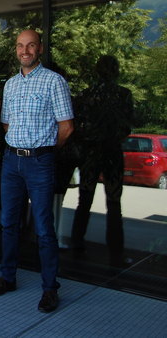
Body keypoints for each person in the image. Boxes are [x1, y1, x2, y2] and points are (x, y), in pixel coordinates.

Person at [0, 30, 74, 313]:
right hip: (12, 161)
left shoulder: (54, 81)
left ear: (40, 49)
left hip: (40, 162)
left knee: (44, 228)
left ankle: (50, 288)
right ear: (16, 50)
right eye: (21, 46)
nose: (25, 50)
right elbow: (7, 125)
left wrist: (44, 149)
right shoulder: (10, 84)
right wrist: (22, 146)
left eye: (31, 45)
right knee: (9, 223)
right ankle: (7, 277)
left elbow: (66, 126)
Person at [70, 55, 133, 266]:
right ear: (116, 71)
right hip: (112, 151)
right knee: (114, 203)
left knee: (84, 200)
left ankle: (77, 244)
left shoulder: (86, 95)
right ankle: (116, 252)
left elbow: (77, 126)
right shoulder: (123, 95)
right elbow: (127, 126)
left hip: (91, 152)